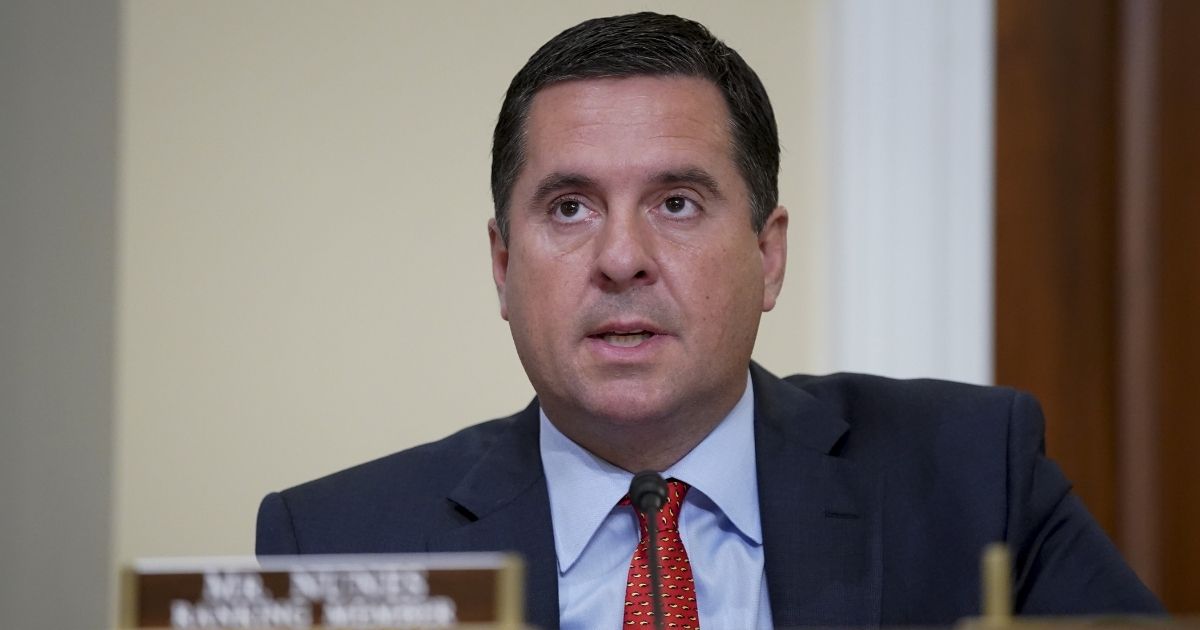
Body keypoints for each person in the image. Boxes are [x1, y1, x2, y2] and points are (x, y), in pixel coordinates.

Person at [256, 12, 1162, 629]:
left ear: (768, 255)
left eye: (678, 203)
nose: (621, 257)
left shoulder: (972, 473)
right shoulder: (339, 541)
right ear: (502, 266)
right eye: (569, 207)